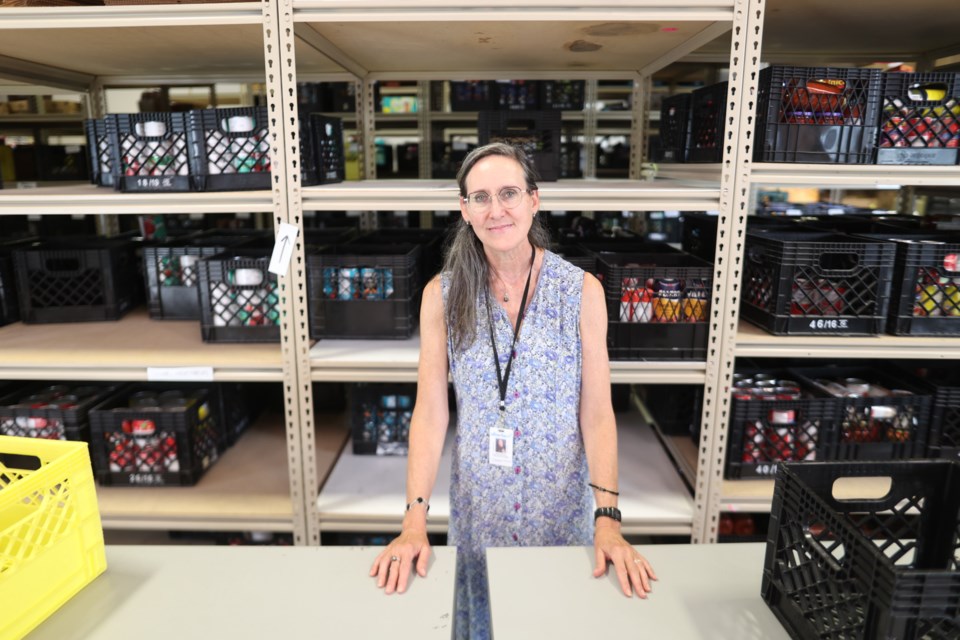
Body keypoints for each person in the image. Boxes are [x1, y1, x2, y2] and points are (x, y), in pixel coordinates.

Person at [369, 142, 656, 638]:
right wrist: (414, 521)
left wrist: (607, 519)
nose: (495, 209)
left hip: (561, 513)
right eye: (479, 197)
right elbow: (431, 412)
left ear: (534, 200)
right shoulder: (442, 295)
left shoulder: (580, 291)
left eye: (508, 193)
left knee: (557, 623)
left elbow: (598, 415)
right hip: (481, 514)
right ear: (464, 209)